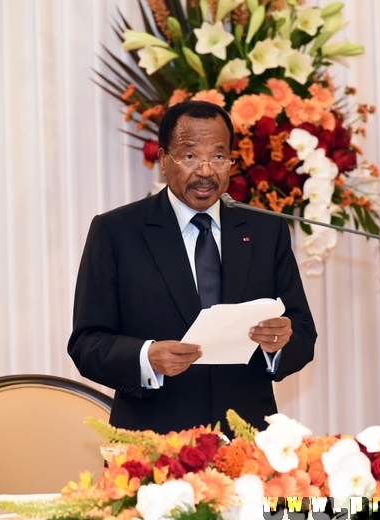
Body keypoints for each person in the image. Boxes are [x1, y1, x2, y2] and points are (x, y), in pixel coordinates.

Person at [68, 101, 316, 437]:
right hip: (151, 443)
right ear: (163, 162)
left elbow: (302, 331)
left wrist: (279, 343)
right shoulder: (117, 232)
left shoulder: (264, 231)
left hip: (247, 441)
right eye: (189, 156)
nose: (205, 171)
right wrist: (146, 357)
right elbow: (87, 343)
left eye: (218, 156)